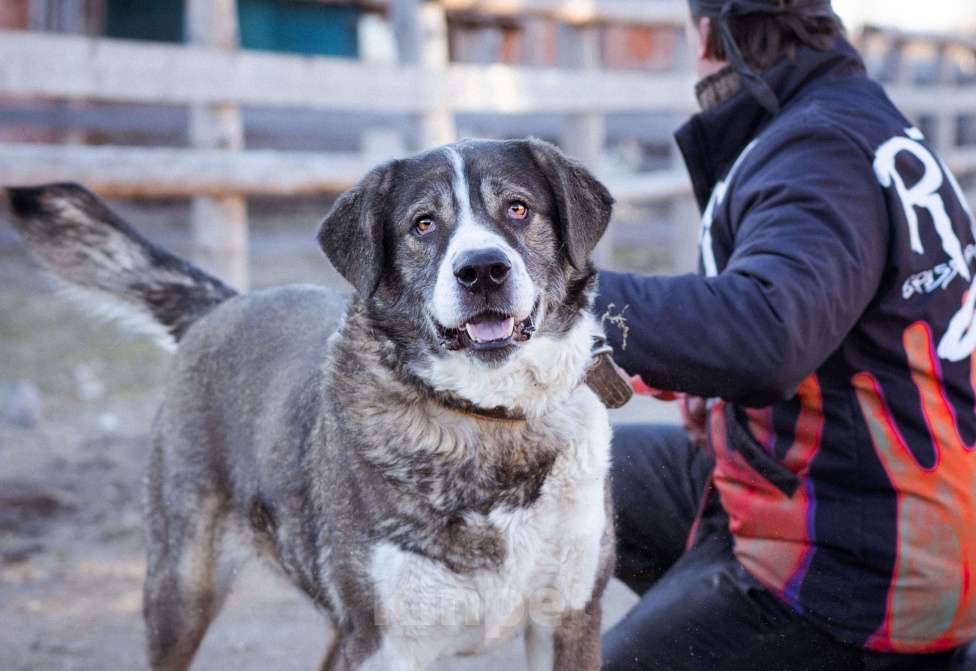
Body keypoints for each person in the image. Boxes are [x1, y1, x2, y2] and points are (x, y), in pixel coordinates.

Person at [594, 1, 976, 669]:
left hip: (865, 559)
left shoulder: (820, 149)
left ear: (709, 36)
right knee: (585, 466)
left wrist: (567, 297)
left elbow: (768, 332)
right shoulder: (856, 118)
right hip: (851, 487)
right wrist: (700, 379)